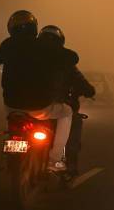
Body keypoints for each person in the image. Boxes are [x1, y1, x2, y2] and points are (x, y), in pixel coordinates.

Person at [0, 10, 74, 171]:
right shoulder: (43, 45)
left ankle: (10, 154)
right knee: (67, 113)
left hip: (11, 105)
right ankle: (54, 159)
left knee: (13, 123)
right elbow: (73, 57)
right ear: (34, 27)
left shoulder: (8, 44)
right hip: (40, 106)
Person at [37, 25, 95, 180]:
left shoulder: (30, 57)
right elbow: (80, 81)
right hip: (53, 107)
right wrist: (90, 91)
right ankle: (66, 166)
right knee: (72, 121)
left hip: (26, 105)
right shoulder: (65, 60)